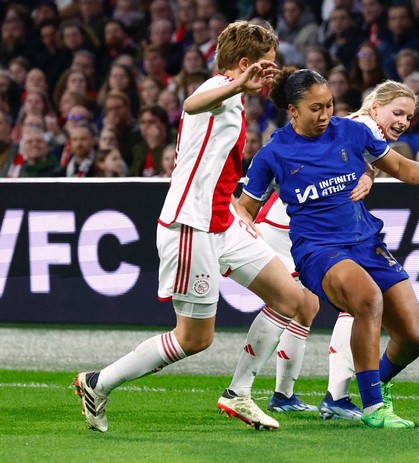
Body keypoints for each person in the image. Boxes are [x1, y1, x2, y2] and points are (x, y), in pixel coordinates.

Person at [74, 20, 305, 433]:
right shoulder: (214, 90)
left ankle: (239, 393)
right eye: (265, 65)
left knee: (293, 300)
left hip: (223, 220)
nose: (270, 72)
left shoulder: (233, 97)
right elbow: (190, 105)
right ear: (245, 64)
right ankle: (97, 382)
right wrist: (237, 85)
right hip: (191, 226)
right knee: (195, 339)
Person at [238, 67, 419, 429]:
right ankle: (371, 407)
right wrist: (241, 229)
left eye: (329, 105)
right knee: (366, 299)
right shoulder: (273, 153)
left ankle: (370, 383)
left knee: (414, 335)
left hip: (366, 241)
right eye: (315, 108)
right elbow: (245, 206)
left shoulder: (351, 131)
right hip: (318, 249)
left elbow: (399, 165)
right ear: (293, 110)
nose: (325, 115)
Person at [223, 80, 418, 421]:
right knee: (351, 304)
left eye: (409, 116)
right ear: (375, 108)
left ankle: (283, 394)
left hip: (292, 227)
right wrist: (370, 174)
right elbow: (366, 156)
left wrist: (368, 174)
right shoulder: (359, 125)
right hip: (291, 229)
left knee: (307, 306)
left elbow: (361, 160)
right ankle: (337, 396)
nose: (402, 121)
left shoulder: (345, 125)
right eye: (397, 112)